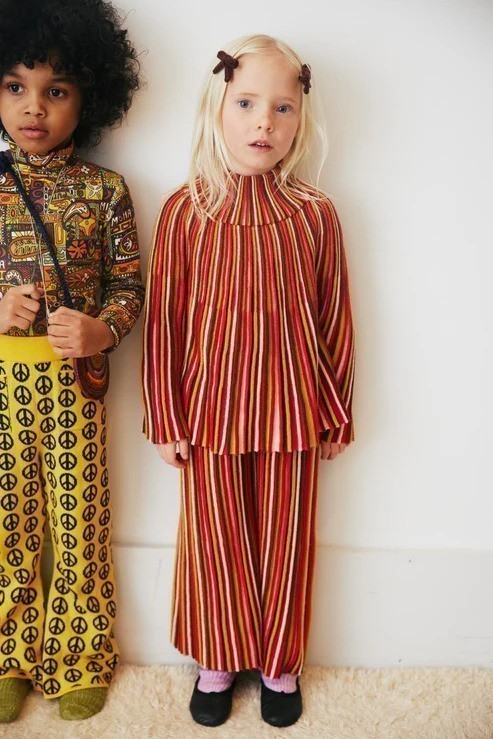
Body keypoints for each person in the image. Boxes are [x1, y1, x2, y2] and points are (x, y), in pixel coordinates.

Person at [142, 34, 354, 728]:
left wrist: (337, 411)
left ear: (300, 119)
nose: (264, 121)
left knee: (287, 544)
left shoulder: (315, 215)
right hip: (208, 415)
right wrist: (166, 415)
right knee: (216, 543)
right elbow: (166, 322)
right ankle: (218, 657)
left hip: (294, 413)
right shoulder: (186, 211)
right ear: (218, 108)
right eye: (247, 103)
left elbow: (334, 318)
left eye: (282, 107)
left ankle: (279, 663)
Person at [0, 0, 144, 722]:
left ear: (89, 96)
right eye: (15, 86)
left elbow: (130, 286)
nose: (34, 106)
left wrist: (101, 331)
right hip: (3, 387)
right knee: (8, 520)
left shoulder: (105, 190)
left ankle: (82, 654)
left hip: (74, 389)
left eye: (55, 89)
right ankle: (8, 654)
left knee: (79, 519)